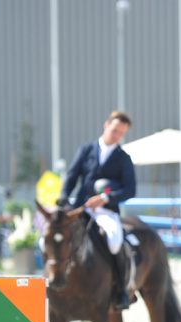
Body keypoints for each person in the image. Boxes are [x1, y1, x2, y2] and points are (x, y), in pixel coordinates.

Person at [58, 110, 136, 309]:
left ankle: (121, 290)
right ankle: (54, 279)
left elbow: (130, 189)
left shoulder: (123, 158)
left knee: (115, 242)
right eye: (115, 130)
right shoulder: (86, 150)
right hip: (82, 208)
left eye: (121, 133)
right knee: (55, 236)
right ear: (106, 125)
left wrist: (105, 198)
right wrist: (64, 198)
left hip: (106, 211)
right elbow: (72, 176)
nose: (117, 135)